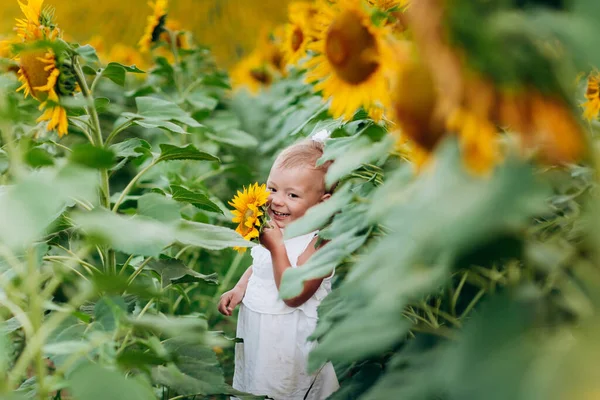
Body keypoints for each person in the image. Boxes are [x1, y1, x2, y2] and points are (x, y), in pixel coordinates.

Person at [218, 139, 339, 400]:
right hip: (258, 335)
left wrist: (277, 248)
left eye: (292, 195)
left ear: (323, 202)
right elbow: (260, 266)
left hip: (289, 344)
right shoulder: (275, 230)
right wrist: (240, 288)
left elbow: (293, 295)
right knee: (255, 382)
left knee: (284, 389)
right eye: (272, 188)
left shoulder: (319, 244)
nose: (276, 201)